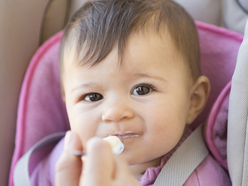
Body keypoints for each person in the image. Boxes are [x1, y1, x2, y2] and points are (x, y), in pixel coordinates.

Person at [31, 0, 231, 185]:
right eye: (92, 96)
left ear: (193, 100)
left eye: (142, 90)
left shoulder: (202, 180)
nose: (115, 112)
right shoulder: (64, 159)